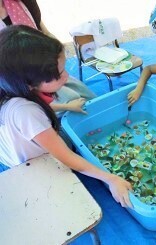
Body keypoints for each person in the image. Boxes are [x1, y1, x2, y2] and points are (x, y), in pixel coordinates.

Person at [0, 25, 132, 207]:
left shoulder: (13, 86)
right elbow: (65, 156)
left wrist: (66, 106)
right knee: (70, 146)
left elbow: (37, 113)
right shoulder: (26, 112)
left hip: (15, 142)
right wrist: (110, 179)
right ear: (31, 83)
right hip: (32, 166)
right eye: (60, 73)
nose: (67, 76)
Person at [0, 0, 96, 115]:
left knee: (87, 95)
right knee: (72, 97)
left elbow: (43, 30)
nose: (67, 76)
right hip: (38, 77)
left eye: (63, 70)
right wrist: (68, 106)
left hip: (45, 71)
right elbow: (42, 105)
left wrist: (57, 53)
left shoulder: (24, 4)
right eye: (61, 73)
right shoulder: (23, 105)